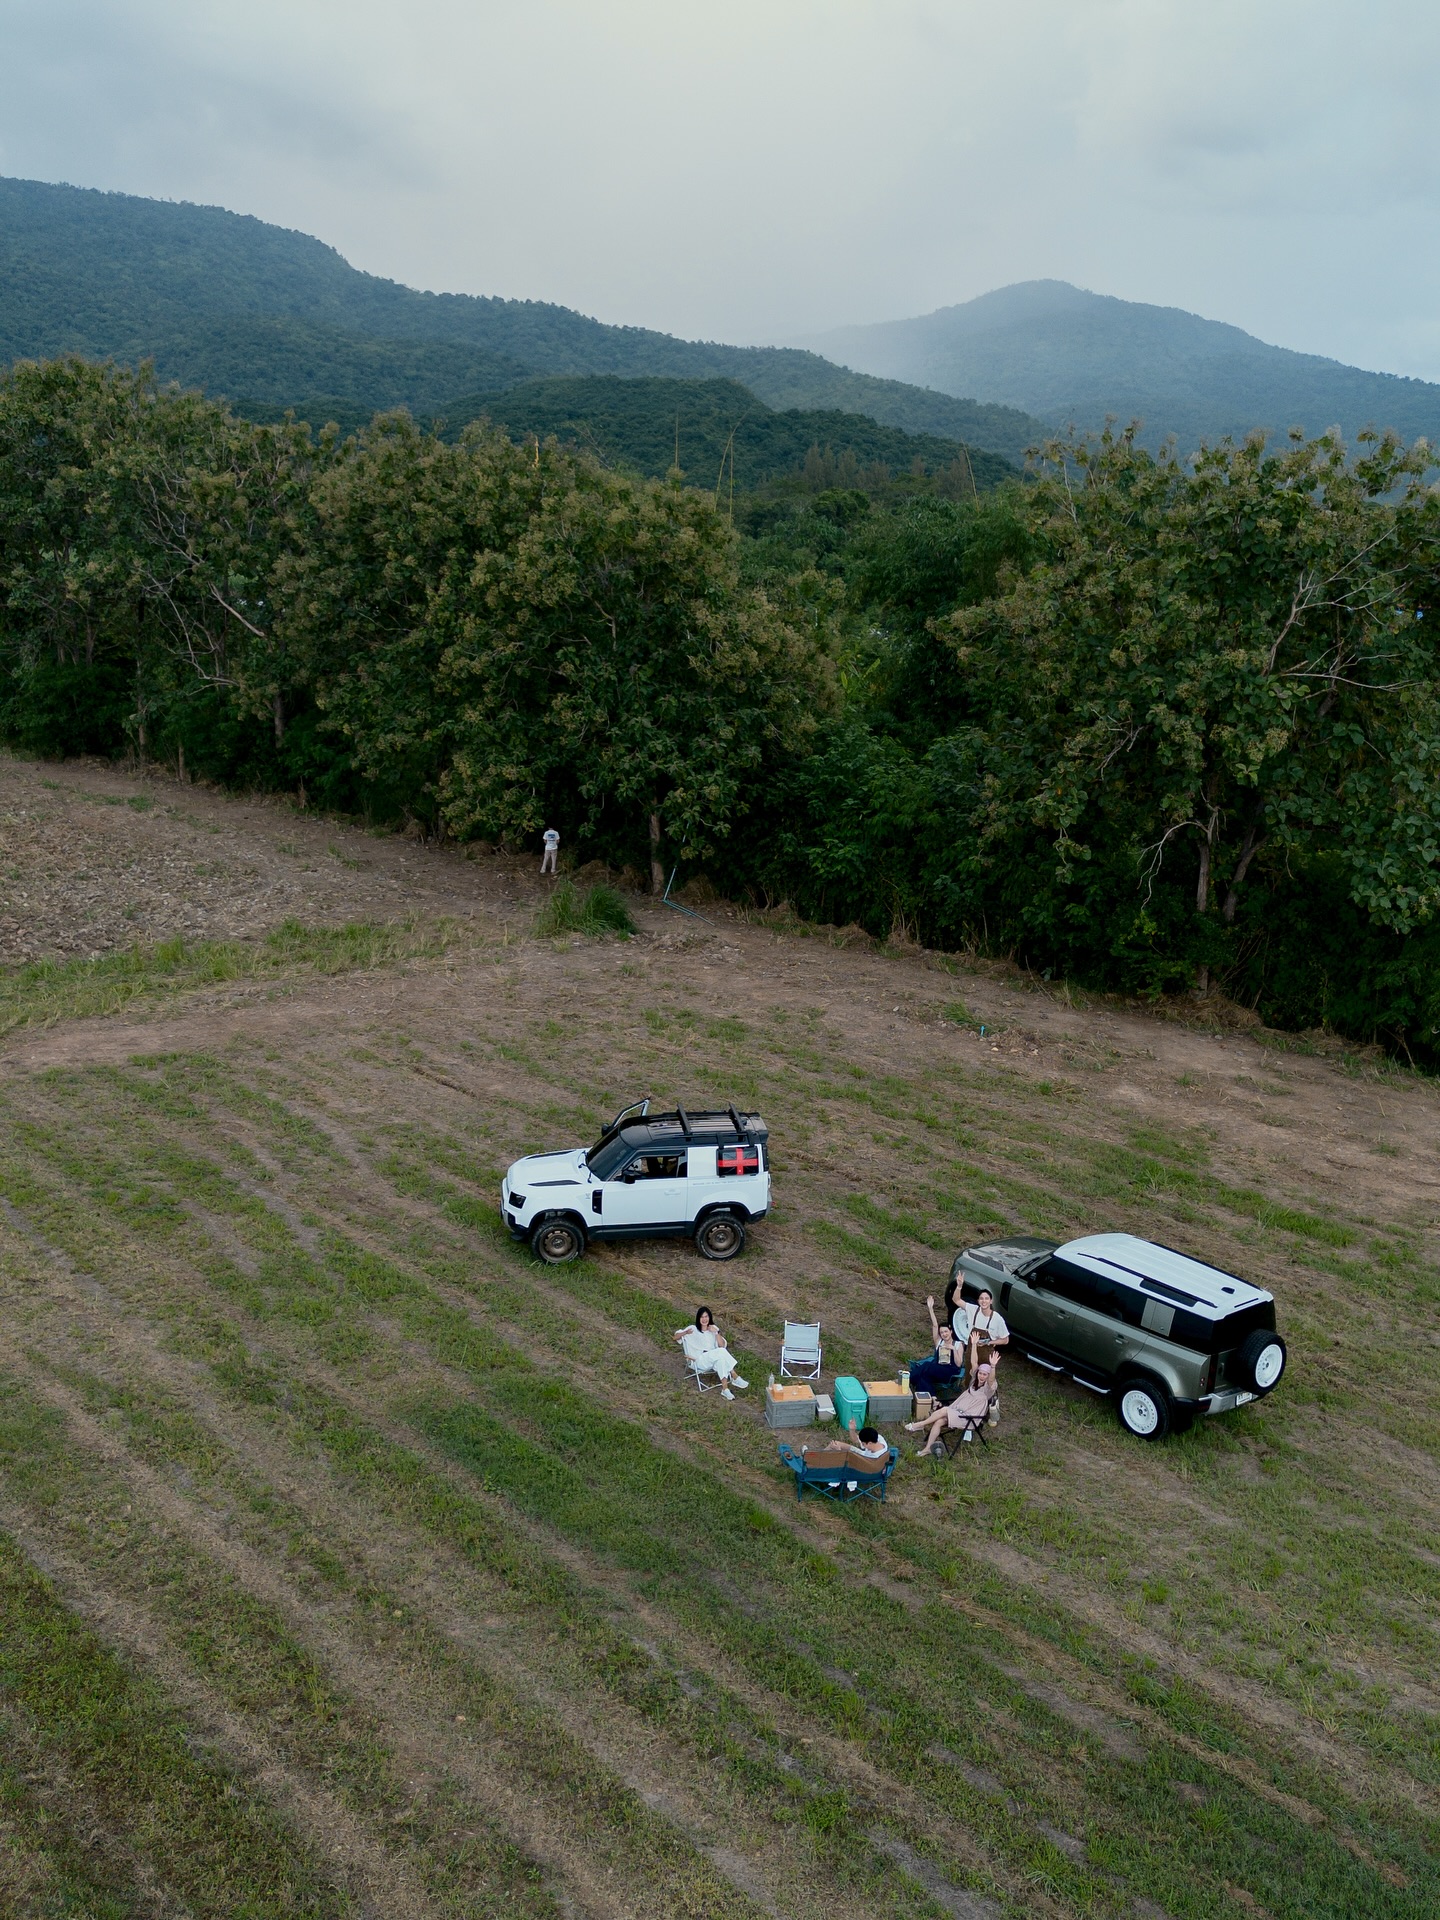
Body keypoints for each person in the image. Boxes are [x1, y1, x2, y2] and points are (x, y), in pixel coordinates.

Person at [906, 1359, 996, 1454]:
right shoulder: (974, 1382)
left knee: (944, 1409)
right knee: (939, 1421)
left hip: (968, 1418)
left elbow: (991, 1380)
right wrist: (973, 1345)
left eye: (985, 1374)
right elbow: (974, 1363)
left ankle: (921, 1424)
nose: (981, 1376)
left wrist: (993, 1366)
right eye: (980, 1373)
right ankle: (928, 1448)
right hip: (957, 1412)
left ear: (988, 1376)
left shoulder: (988, 1390)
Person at [673, 1306, 749, 1400]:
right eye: (702, 1317)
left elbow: (722, 1345)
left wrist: (716, 1333)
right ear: (698, 1318)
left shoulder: (713, 1329)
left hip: (712, 1358)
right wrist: (685, 1333)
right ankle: (734, 1376)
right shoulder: (693, 1328)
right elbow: (675, 1337)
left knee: (721, 1360)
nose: (704, 1319)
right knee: (721, 1352)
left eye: (706, 1316)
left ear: (709, 1318)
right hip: (698, 1360)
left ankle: (725, 1390)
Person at [908, 1294, 965, 1399]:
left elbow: (958, 1364)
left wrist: (954, 1350)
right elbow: (935, 1325)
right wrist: (930, 1309)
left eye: (946, 1332)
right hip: (936, 1370)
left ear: (951, 1332)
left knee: (926, 1366)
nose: (944, 1334)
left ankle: (906, 1379)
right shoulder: (939, 1342)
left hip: (949, 1373)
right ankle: (933, 1401)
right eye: (942, 1332)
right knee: (923, 1377)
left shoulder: (958, 1344)